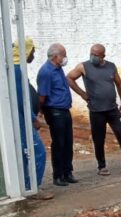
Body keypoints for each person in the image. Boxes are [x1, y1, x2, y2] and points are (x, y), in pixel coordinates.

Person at [67, 44, 121, 175]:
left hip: (113, 109)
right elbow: (69, 78)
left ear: (103, 55)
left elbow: (119, 84)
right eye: (91, 54)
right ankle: (101, 166)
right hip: (96, 111)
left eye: (96, 55)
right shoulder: (83, 66)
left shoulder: (111, 66)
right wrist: (82, 94)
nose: (93, 57)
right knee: (99, 139)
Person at [12, 37, 53, 200]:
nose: (33, 55)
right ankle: (33, 188)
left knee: (24, 152)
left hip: (22, 119)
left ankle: (26, 186)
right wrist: (32, 118)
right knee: (38, 151)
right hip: (23, 120)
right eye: (32, 51)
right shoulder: (16, 71)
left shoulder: (17, 68)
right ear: (26, 51)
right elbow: (20, 99)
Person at [37, 43, 77, 186]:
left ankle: (67, 172)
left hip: (64, 110)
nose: (65, 58)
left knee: (68, 142)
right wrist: (40, 113)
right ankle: (58, 175)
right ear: (55, 56)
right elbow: (42, 96)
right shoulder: (46, 72)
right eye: (63, 55)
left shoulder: (58, 68)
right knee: (59, 143)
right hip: (54, 111)